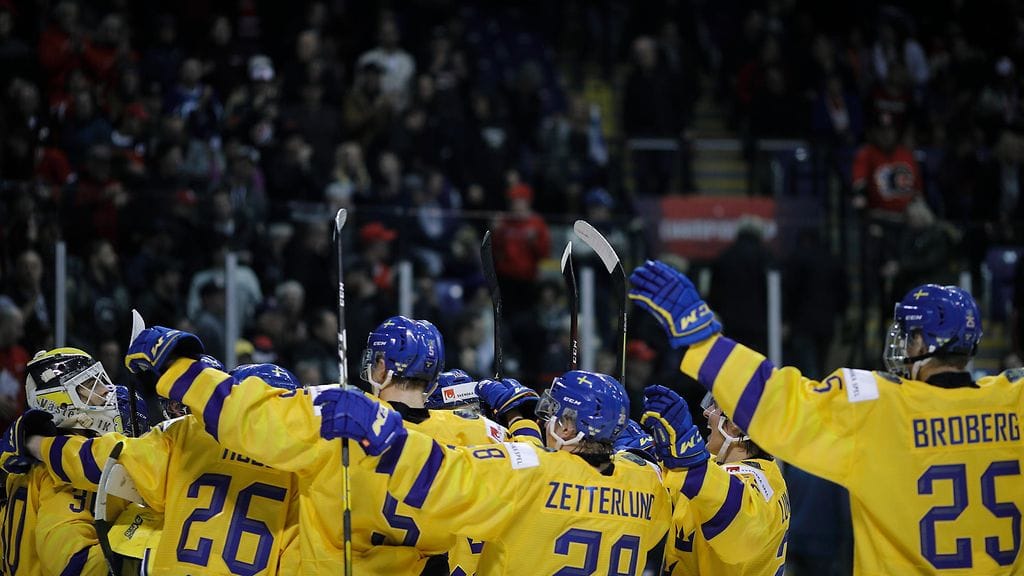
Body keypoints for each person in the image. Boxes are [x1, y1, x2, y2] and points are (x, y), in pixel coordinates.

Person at [628, 260, 1024, 574]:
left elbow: (779, 402)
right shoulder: (1014, 399)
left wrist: (703, 340)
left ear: (920, 342)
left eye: (907, 336)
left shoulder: (881, 406)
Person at [107, 318, 538, 574]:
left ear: (381, 368)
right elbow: (538, 478)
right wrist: (521, 417)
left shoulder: (339, 420)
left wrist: (178, 370)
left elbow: (247, 416)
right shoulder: (470, 435)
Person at [315, 369, 672, 574]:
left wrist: (383, 433)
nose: (545, 420)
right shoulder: (644, 481)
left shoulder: (528, 469)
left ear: (568, 427)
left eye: (552, 413)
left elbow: (441, 473)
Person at [3, 360, 301, 575]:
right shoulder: (301, 472)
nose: (104, 393)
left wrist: (36, 444)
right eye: (90, 386)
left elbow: (102, 460)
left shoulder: (189, 438)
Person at [0, 347, 147, 575]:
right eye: (91, 384)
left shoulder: (43, 453)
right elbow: (73, 564)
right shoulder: (63, 470)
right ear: (60, 400)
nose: (105, 390)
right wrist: (144, 555)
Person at [641, 385, 790, 575]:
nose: (707, 412)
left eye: (715, 405)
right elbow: (681, 477)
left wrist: (690, 462)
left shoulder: (756, 485)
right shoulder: (722, 468)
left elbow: (737, 521)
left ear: (736, 423)